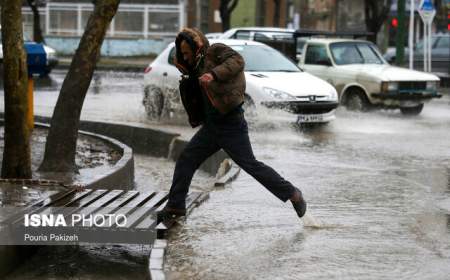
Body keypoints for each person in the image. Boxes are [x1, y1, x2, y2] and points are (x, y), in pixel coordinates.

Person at [158, 28, 306, 220]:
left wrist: (213, 74)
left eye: (187, 53)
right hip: (211, 127)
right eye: (182, 54)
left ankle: (294, 194)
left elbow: (237, 61)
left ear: (197, 47)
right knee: (187, 159)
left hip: (231, 124)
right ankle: (176, 207)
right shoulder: (192, 69)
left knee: (251, 165)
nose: (185, 58)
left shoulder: (215, 51)